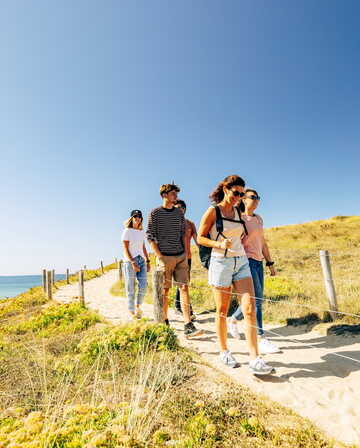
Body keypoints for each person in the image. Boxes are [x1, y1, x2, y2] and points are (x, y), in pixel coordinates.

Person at [197, 175, 274, 374]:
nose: (238, 197)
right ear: (225, 189)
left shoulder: (240, 212)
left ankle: (255, 358)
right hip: (220, 262)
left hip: (241, 262)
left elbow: (251, 232)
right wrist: (218, 244)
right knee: (222, 309)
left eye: (241, 194)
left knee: (249, 308)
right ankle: (224, 351)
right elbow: (200, 238)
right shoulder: (213, 211)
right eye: (235, 192)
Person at [146, 183, 203, 338]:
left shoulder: (179, 213)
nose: (176, 197)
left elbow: (182, 233)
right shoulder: (155, 213)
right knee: (165, 291)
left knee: (184, 288)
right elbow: (150, 236)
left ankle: (188, 325)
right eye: (173, 194)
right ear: (164, 195)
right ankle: (164, 321)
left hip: (180, 257)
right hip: (164, 257)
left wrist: (184, 253)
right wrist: (159, 256)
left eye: (176, 194)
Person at [227, 189, 280, 354]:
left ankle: (233, 319)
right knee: (256, 301)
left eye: (258, 198)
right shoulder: (239, 219)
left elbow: (262, 242)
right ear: (243, 199)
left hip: (258, 261)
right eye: (253, 197)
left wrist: (270, 263)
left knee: (257, 299)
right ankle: (261, 338)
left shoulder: (258, 219)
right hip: (246, 261)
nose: (256, 200)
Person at [121, 210, 150, 320]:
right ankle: (131, 311)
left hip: (142, 260)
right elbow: (125, 248)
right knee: (130, 288)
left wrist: (147, 260)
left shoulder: (142, 232)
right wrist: (132, 262)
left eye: (139, 216)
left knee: (143, 286)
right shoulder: (127, 231)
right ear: (131, 218)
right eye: (135, 216)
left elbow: (143, 247)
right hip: (129, 261)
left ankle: (138, 306)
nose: (138, 218)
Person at [174, 199, 198, 320]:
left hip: (187, 258)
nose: (180, 210)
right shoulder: (170, 224)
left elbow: (197, 240)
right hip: (174, 257)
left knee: (184, 283)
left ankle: (179, 306)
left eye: (182, 208)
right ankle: (186, 309)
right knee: (180, 284)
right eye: (177, 207)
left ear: (184, 210)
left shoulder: (190, 224)